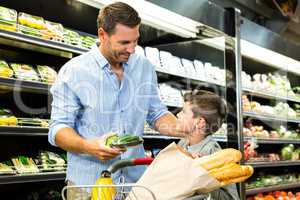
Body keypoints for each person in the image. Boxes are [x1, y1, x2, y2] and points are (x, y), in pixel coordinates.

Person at [48, 2, 186, 198]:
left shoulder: (144, 68)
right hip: (89, 186)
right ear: (102, 35)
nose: (131, 49)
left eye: (135, 41)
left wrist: (182, 128)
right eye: (124, 43)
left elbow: (156, 113)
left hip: (135, 185)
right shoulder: (74, 71)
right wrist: (90, 146)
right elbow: (58, 129)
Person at [177, 90, 240, 200]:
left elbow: (232, 197)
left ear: (200, 122)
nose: (178, 115)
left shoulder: (213, 153)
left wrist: (203, 180)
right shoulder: (182, 143)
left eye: (183, 112)